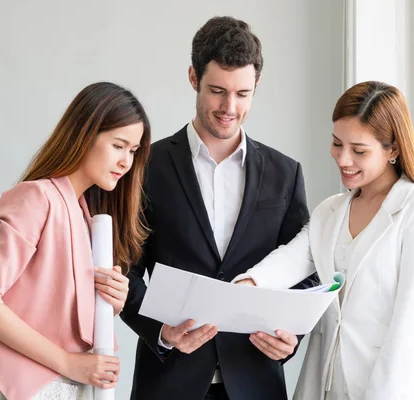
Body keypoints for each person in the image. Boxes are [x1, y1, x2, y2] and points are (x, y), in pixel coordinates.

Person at [120, 16, 317, 400]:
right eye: (217, 91)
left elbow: (305, 270)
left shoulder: (285, 173)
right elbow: (123, 268)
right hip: (168, 381)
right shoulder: (145, 165)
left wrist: (292, 337)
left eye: (243, 94)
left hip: (255, 379)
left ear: (257, 85)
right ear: (193, 77)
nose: (230, 107)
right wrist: (160, 330)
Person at [235, 81, 414, 400]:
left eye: (359, 151)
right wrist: (248, 284)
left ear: (393, 150)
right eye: (337, 144)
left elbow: (409, 326)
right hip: (324, 384)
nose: (343, 159)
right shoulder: (329, 211)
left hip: (386, 387)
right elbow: (291, 259)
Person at [0, 82, 151, 400]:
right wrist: (69, 363)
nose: (126, 162)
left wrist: (111, 302)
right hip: (35, 388)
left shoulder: (87, 214)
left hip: (76, 387)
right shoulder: (38, 198)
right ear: (85, 134)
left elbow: (56, 309)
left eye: (133, 151)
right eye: (119, 145)